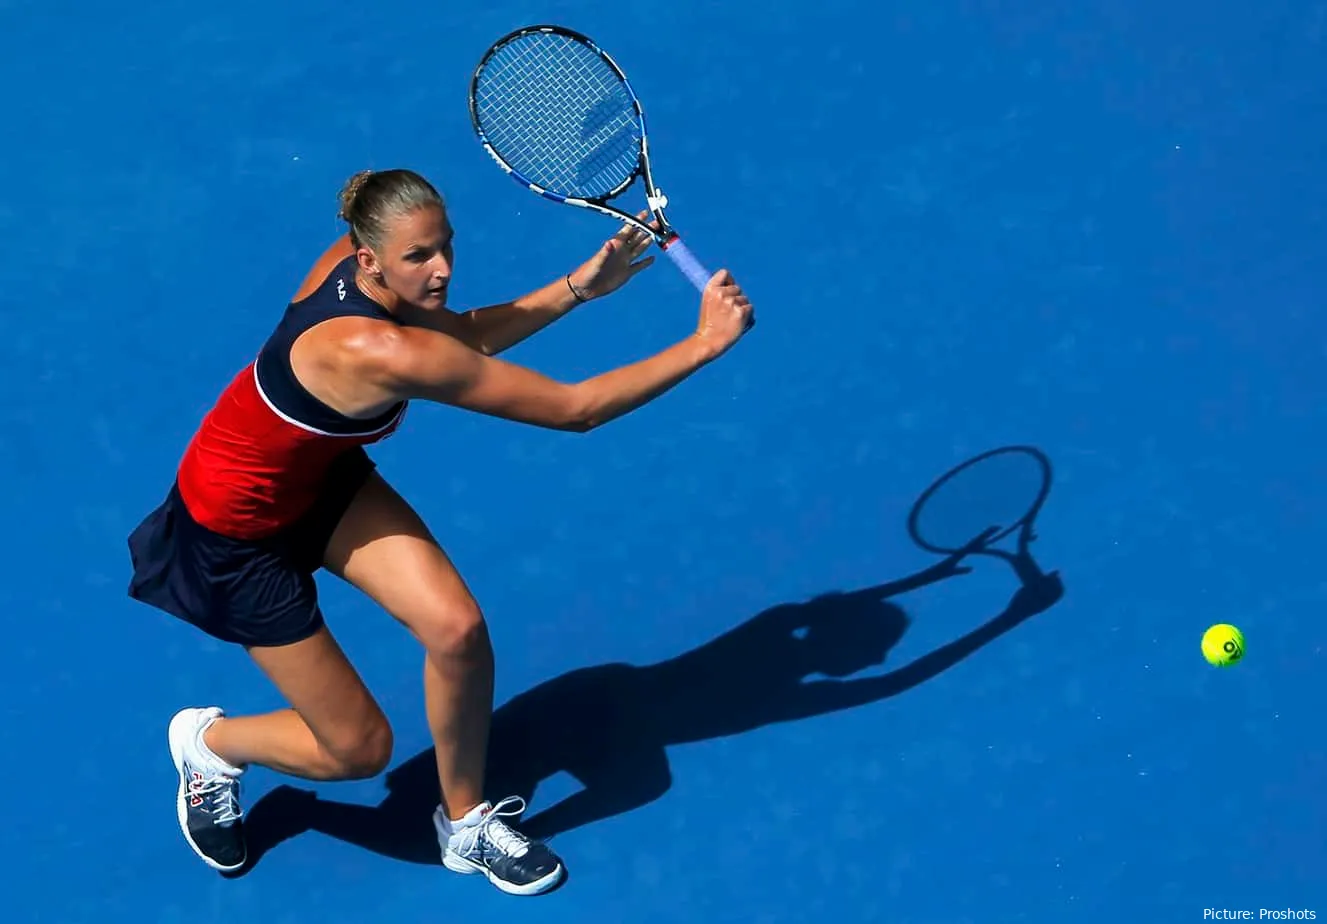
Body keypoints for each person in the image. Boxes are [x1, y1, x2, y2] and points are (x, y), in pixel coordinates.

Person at [126, 167, 754, 896]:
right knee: (357, 751)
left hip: (318, 479)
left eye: (445, 246)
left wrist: (580, 286)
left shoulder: (355, 263)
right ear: (368, 260)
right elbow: (574, 408)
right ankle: (210, 745)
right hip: (234, 535)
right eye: (420, 256)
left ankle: (465, 822)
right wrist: (704, 343)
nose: (442, 268)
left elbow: (460, 334)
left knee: (456, 630)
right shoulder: (377, 351)